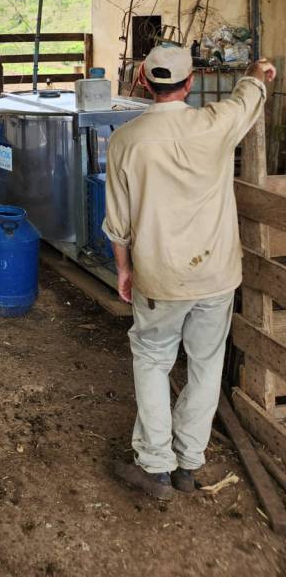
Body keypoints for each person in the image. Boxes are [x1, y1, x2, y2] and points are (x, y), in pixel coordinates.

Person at [104, 44, 276, 500]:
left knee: (153, 359)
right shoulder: (215, 124)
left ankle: (157, 465)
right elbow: (250, 94)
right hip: (216, 274)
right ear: (191, 82)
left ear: (142, 80)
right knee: (205, 364)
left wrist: (124, 271)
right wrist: (257, 70)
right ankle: (189, 461)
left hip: (158, 277)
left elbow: (118, 224)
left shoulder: (125, 141)